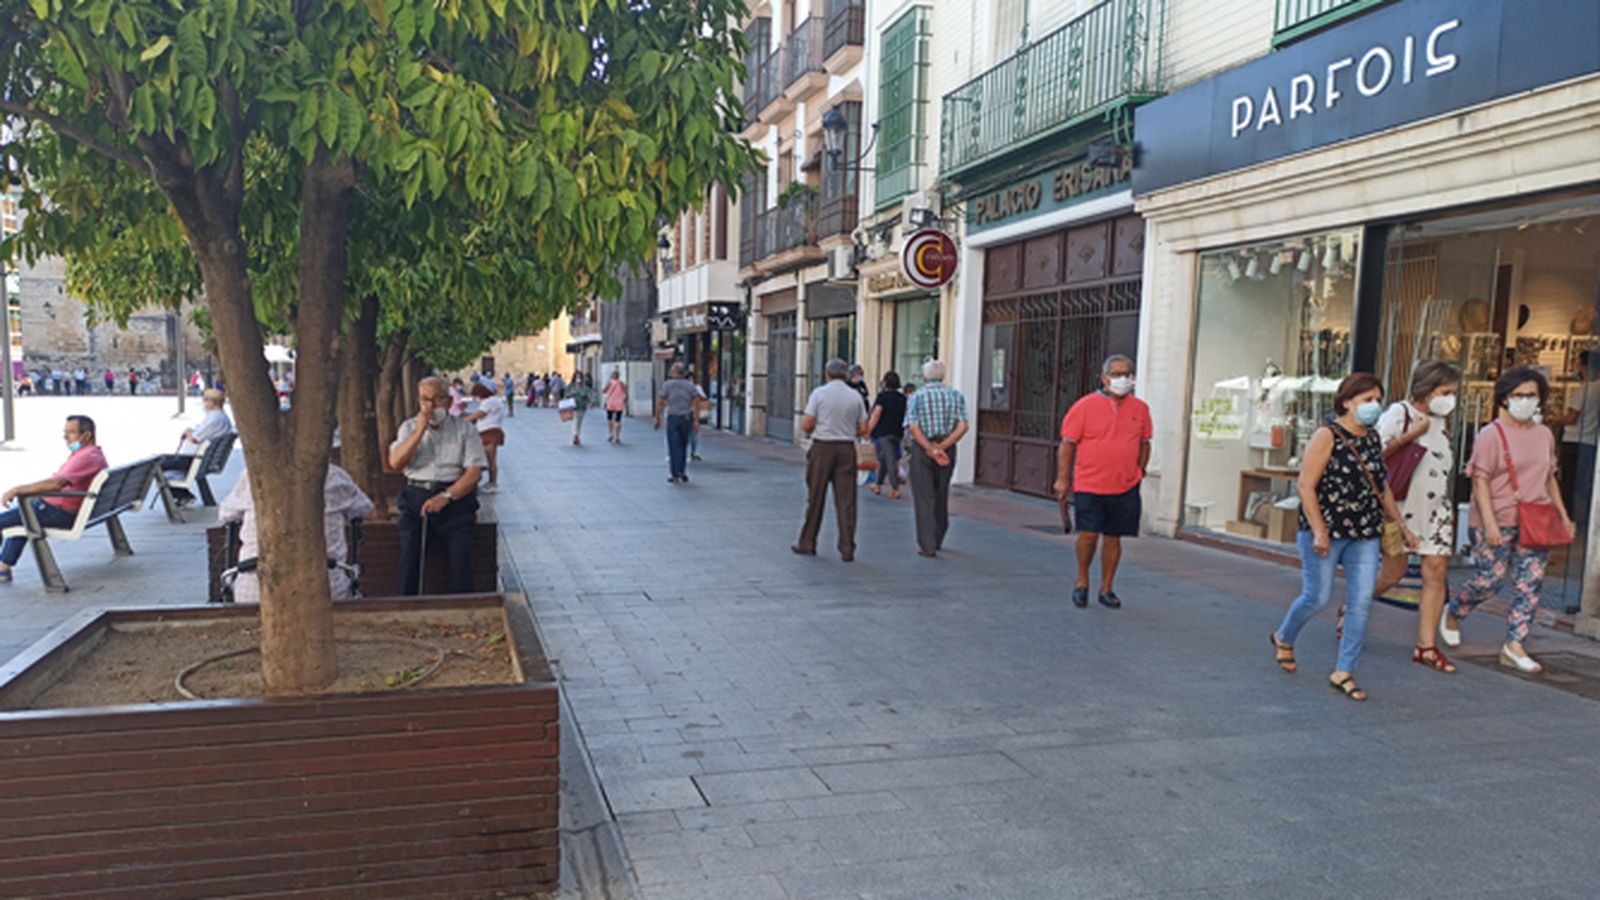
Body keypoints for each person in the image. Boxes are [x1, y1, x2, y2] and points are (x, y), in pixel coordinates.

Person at [1270, 373, 1416, 702]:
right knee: (1317, 597)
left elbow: (1381, 486)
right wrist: (1319, 529)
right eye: (1367, 399)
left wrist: (1401, 525)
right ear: (1347, 402)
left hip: (1364, 531)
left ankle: (1344, 670)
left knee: (1361, 602)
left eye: (1378, 399)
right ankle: (1284, 636)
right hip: (1326, 531)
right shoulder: (1327, 435)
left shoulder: (1373, 439)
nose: (1374, 406)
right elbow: (1306, 485)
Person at [1443, 366, 1573, 675]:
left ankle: (1514, 645)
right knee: (1490, 580)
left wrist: (1563, 515)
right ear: (1504, 398)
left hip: (1535, 519)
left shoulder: (1544, 435)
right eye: (1519, 395)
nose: (1526, 401)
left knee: (1530, 584)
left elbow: (1549, 477)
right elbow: (1480, 481)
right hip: (1496, 517)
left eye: (1532, 395)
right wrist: (1488, 523)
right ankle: (1455, 610)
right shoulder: (1491, 434)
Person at [1371, 361, 1463, 673]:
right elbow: (1372, 456)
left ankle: (1426, 646)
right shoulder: (1400, 414)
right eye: (1445, 392)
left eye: (1453, 393)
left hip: (1437, 508)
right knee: (1392, 574)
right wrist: (1412, 435)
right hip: (1401, 507)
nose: (1450, 399)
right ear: (1426, 388)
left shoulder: (1441, 422)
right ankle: (1355, 607)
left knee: (1436, 572)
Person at [1053, 355, 1152, 607]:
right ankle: (1082, 581)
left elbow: (1144, 443)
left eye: (1128, 374)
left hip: (1125, 484)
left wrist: (1139, 471)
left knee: (1113, 538)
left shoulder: (1140, 409)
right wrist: (1062, 480)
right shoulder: (1084, 407)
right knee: (1088, 535)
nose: (1124, 379)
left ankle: (1107, 588)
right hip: (1090, 483)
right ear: (1104, 377)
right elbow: (1067, 445)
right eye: (1117, 374)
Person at [218, 464, 373, 604]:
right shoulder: (335, 476)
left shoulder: (252, 474)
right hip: (325, 582)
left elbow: (226, 515)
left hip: (255, 583)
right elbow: (362, 509)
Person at [388, 376, 487, 595]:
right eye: (425, 400)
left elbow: (474, 473)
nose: (431, 406)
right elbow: (396, 462)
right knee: (410, 550)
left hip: (454, 497)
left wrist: (446, 497)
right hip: (417, 495)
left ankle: (463, 606)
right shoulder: (409, 428)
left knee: (461, 554)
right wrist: (419, 431)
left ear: (449, 401)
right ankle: (406, 606)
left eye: (437, 399)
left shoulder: (464, 429)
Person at [0, 416, 108, 583]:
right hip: (55, 507)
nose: (65, 437)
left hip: (57, 512)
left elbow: (56, 484)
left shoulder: (86, 457)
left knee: (16, 516)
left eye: (71, 433)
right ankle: (3, 567)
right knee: (22, 516)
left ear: (87, 435)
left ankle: (3, 566)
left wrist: (17, 489)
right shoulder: (92, 454)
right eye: (65, 432)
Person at [792, 358, 869, 561]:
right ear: (846, 375)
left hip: (823, 447)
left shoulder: (819, 394)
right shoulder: (855, 397)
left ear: (827, 374)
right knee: (846, 500)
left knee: (815, 496)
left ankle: (807, 542)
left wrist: (815, 426)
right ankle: (847, 547)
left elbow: (807, 424)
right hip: (846, 448)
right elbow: (863, 429)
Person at [904, 361, 969, 557]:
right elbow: (963, 425)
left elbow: (913, 426)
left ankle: (927, 544)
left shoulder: (917, 396)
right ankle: (939, 535)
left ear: (925, 377)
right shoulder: (955, 395)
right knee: (941, 492)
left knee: (924, 496)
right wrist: (943, 446)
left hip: (923, 449)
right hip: (946, 449)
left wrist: (929, 448)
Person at [157, 388, 234, 505]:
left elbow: (194, 438)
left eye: (205, 400)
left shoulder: (214, 418)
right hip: (201, 459)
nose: (204, 402)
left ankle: (182, 495)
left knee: (155, 466)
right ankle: (183, 495)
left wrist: (188, 433)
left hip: (191, 459)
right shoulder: (221, 416)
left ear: (213, 402)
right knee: (162, 459)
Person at [655, 362, 699, 483]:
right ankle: (681, 471)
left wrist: (657, 418)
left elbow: (661, 401)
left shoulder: (667, 385)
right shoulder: (690, 385)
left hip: (673, 418)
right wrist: (696, 420)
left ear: (674, 372)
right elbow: (696, 402)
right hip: (686, 418)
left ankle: (674, 474)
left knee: (674, 446)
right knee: (683, 446)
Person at [866, 371, 906, 500]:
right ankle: (877, 484)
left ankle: (895, 489)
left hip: (883, 432)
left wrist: (868, 430)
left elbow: (876, 414)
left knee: (890, 460)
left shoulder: (882, 397)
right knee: (884, 458)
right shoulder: (902, 398)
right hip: (897, 432)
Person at [464, 382, 507, 492]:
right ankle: (491, 482)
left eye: (475, 396)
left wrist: (462, 421)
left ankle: (492, 484)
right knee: (490, 460)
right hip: (493, 431)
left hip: (488, 433)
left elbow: (478, 415)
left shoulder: (488, 402)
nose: (475, 399)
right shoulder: (495, 400)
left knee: (488, 460)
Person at [566, 373, 595, 445]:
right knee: (575, 421)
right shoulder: (571, 387)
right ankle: (575, 436)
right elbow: (565, 394)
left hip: (582, 407)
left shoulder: (585, 388)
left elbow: (589, 396)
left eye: (580, 377)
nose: (578, 379)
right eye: (577, 377)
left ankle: (577, 435)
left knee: (579, 422)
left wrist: (591, 403)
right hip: (573, 407)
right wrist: (569, 395)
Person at [603, 369, 628, 443]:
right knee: (618, 420)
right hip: (619, 403)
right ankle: (617, 436)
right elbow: (626, 394)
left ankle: (610, 434)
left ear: (612, 376)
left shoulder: (610, 383)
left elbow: (604, 391)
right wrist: (624, 401)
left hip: (610, 403)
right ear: (619, 376)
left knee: (610, 419)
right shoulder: (622, 383)